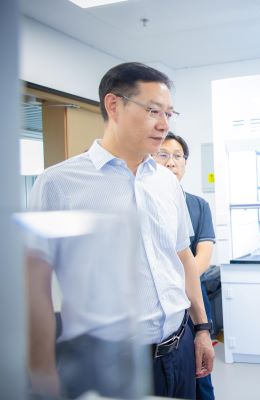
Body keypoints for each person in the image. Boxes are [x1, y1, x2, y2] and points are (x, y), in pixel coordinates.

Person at [27, 62, 214, 399]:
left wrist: (201, 328)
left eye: (169, 113)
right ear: (113, 105)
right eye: (153, 111)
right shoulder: (58, 183)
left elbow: (183, 257)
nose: (164, 124)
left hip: (178, 348)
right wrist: (42, 368)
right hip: (109, 363)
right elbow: (35, 286)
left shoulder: (166, 183)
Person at [154, 132, 217, 400]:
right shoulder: (146, 201)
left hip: (193, 297)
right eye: (163, 155)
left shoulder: (198, 205)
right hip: (161, 305)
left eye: (177, 156)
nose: (171, 162)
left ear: (185, 163)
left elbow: (202, 256)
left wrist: (174, 280)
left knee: (201, 375)